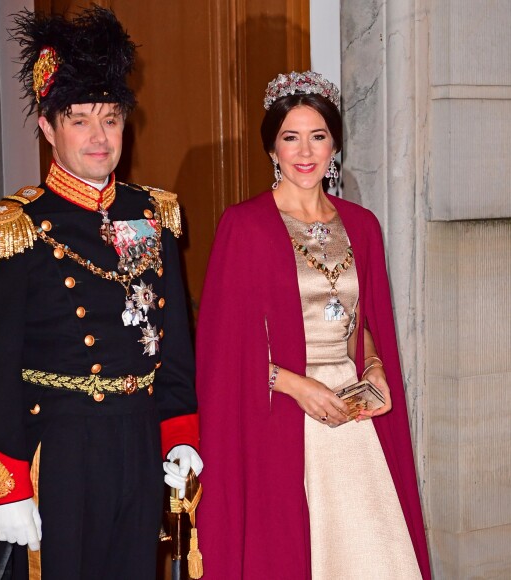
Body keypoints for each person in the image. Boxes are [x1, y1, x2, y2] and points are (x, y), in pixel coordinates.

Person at [0, 7, 202, 579]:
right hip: (59, 452)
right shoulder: (12, 226)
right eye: (80, 120)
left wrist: (180, 433)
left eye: (111, 119)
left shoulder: (146, 215)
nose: (98, 137)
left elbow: (161, 337)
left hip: (137, 447)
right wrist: (4, 486)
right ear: (48, 128)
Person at [196, 72, 431, 579]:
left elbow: (361, 320)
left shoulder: (361, 224)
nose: (306, 151)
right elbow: (224, 349)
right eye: (291, 137)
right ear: (272, 148)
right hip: (281, 414)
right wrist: (295, 385)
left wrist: (374, 367)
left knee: (370, 551)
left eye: (318, 136)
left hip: (351, 411)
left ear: (335, 145)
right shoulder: (245, 224)